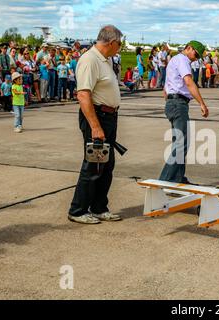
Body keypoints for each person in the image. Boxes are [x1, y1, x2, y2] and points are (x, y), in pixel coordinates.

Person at [68, 25, 123, 224]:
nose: (120, 47)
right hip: (97, 117)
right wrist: (95, 126)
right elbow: (83, 94)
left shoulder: (106, 60)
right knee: (93, 166)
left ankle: (99, 207)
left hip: (109, 117)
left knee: (106, 165)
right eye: (119, 43)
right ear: (111, 42)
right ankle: (77, 210)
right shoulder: (90, 59)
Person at [159, 40, 209, 183]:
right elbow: (188, 82)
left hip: (173, 102)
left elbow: (166, 87)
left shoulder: (175, 60)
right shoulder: (182, 60)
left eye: (198, 56)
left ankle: (177, 179)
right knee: (182, 144)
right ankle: (164, 181)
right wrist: (202, 104)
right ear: (189, 48)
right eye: (196, 53)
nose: (196, 57)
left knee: (179, 143)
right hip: (177, 103)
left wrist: (169, 101)